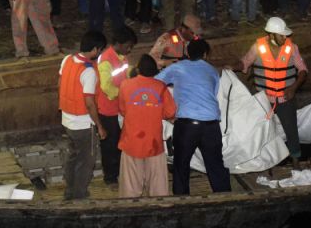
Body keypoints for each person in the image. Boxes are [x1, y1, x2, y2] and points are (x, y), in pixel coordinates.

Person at [156, 39, 231, 195]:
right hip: (211, 125)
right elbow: (214, 93)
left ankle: (182, 201)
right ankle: (225, 197)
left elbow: (155, 83)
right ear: (205, 54)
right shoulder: (212, 71)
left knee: (181, 165)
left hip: (187, 125)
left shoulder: (177, 68)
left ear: (187, 53)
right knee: (216, 165)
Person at [230, 17, 308, 166]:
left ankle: (296, 160)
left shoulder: (291, 47)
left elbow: (303, 70)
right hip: (264, 100)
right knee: (259, 131)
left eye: (285, 35)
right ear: (271, 34)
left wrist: (293, 87)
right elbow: (245, 62)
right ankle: (260, 161)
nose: (285, 37)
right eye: (281, 35)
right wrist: (232, 67)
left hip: (285, 98)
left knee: (291, 130)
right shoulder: (258, 47)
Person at [117, 54, 177, 198]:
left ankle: (131, 210)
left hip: (131, 142)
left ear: (137, 70)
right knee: (158, 187)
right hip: (154, 143)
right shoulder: (161, 87)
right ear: (155, 71)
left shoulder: (125, 85)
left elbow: (122, 110)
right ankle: (160, 209)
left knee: (130, 187)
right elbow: (170, 112)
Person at [59, 30, 108, 200]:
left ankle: (69, 190)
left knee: (72, 156)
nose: (100, 53)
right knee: (86, 161)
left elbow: (61, 82)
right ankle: (79, 195)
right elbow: (89, 103)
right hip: (83, 125)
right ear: (95, 50)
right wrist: (100, 126)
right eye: (100, 50)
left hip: (67, 120)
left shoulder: (67, 60)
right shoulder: (88, 72)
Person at [96, 26, 137, 187]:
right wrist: (125, 93)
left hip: (119, 108)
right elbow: (106, 86)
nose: (130, 49)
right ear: (118, 44)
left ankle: (121, 173)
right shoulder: (105, 60)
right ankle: (110, 177)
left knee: (120, 142)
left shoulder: (121, 56)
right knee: (110, 145)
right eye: (128, 45)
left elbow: (125, 73)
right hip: (108, 109)